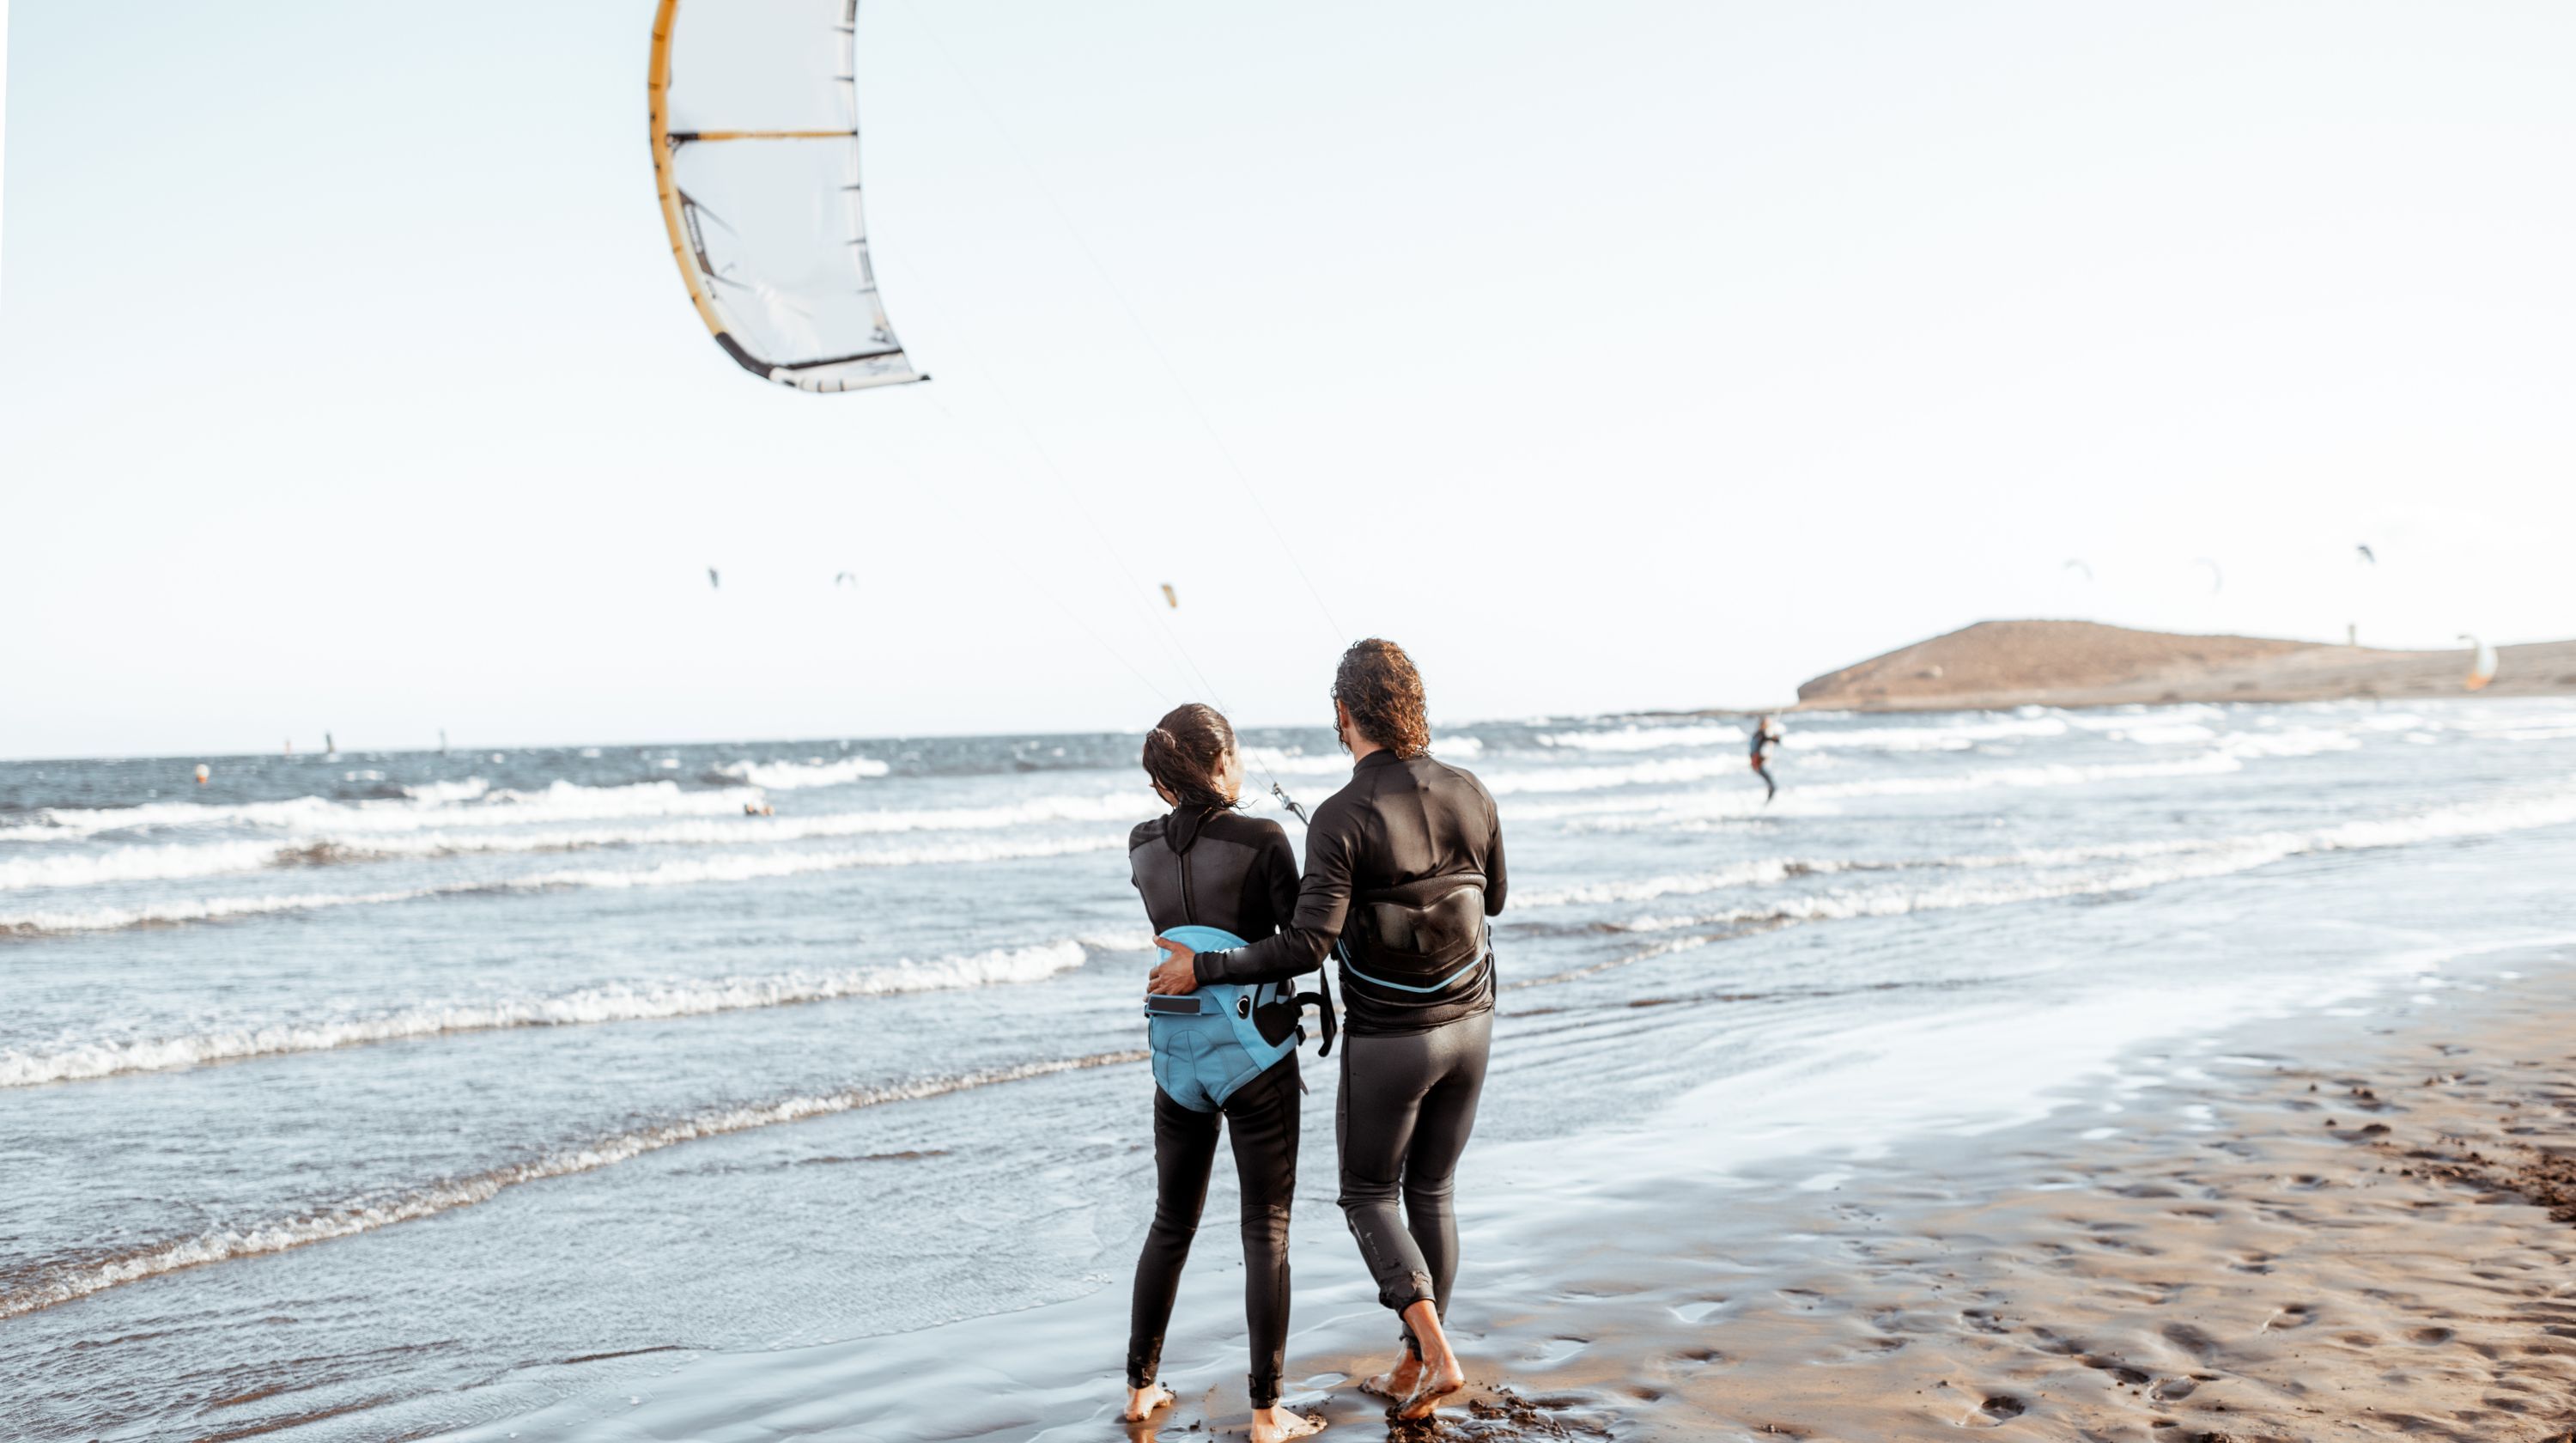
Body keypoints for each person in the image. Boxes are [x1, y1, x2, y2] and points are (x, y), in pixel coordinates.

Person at [1151, 640, 1505, 1422]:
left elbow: (1306, 946)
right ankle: (1414, 1362)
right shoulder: (1471, 791)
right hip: (1472, 1026)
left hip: (1392, 1043)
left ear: (1344, 714)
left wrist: (1203, 969)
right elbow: (1496, 899)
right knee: (1433, 1190)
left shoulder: (1343, 816)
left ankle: (1437, 1356)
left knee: (1369, 1193)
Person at [1124, 703, 1326, 1443]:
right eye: (1234, 755)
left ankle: (1140, 1389)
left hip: (1175, 1054)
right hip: (1253, 1053)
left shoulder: (1142, 844)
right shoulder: (1262, 838)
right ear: (1217, 765)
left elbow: (1173, 925)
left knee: (1170, 1221)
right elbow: (1304, 948)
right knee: (1265, 1230)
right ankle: (1270, 1413)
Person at [1749, 714, 1783, 803]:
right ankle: (1767, 804)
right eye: (1766, 723)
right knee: (1772, 785)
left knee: (1770, 783)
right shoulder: (1761, 735)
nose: (1768, 725)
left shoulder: (1757, 735)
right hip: (1757, 763)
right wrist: (1775, 737)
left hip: (1756, 763)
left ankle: (1768, 801)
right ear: (1763, 724)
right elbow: (1776, 741)